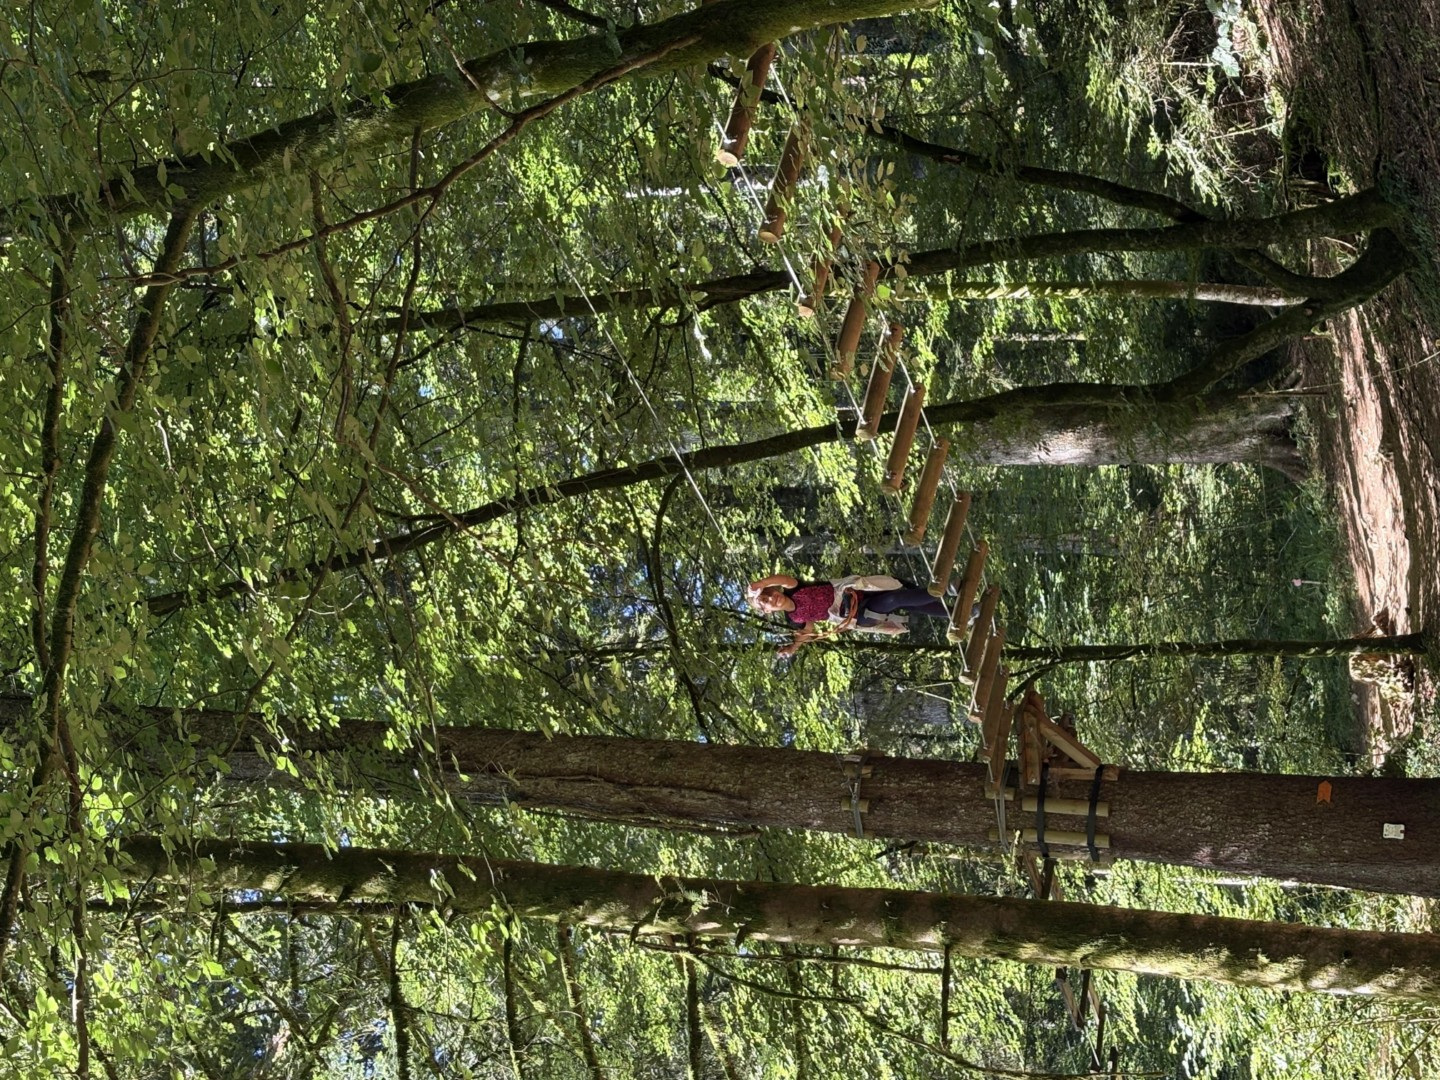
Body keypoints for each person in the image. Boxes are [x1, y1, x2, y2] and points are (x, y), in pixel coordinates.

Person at [747, 572, 955, 657]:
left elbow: (783, 579)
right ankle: (947, 590)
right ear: (768, 611)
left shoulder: (794, 588)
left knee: (904, 597)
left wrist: (759, 584)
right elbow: (806, 633)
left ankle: (956, 612)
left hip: (857, 590)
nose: (771, 599)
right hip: (856, 615)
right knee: (893, 600)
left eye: (769, 594)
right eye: (765, 602)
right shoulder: (795, 619)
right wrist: (793, 647)